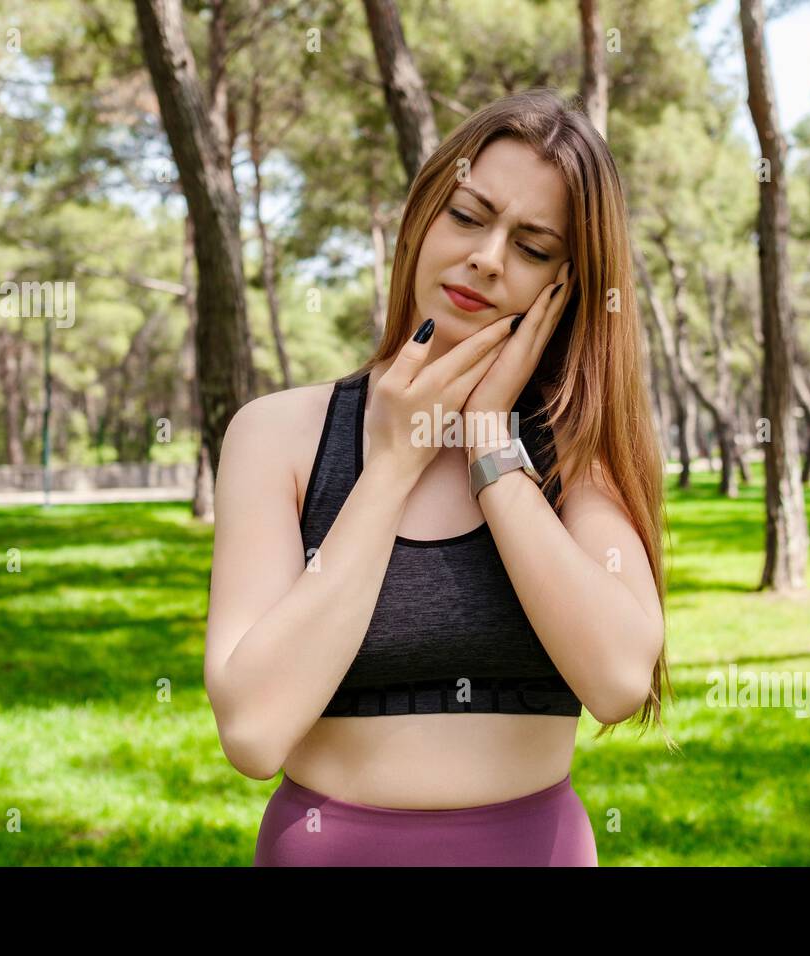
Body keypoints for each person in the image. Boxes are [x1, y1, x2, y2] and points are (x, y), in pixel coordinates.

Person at [204, 88, 675, 867]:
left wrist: (493, 447)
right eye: (466, 215)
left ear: (566, 289)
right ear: (421, 218)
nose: (487, 258)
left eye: (532, 247)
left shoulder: (573, 453)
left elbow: (620, 679)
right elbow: (253, 731)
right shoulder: (277, 435)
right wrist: (391, 465)